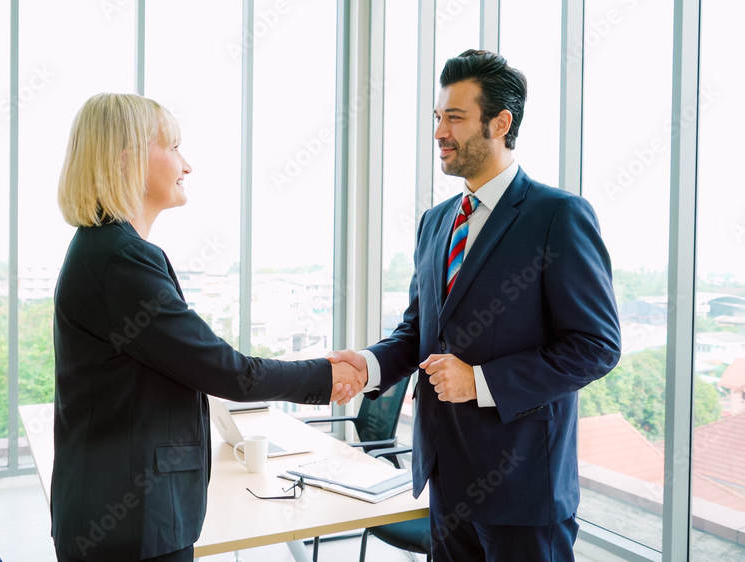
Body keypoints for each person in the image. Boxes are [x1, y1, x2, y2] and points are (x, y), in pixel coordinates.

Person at [329, 50, 621, 561]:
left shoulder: (558, 216)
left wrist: (481, 381)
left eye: (455, 118)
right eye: (438, 118)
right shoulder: (435, 222)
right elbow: (419, 331)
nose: (440, 132)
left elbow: (595, 347)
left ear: (500, 123)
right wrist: (370, 363)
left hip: (525, 489)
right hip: (445, 482)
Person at [51, 93, 365, 562]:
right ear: (127, 159)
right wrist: (325, 374)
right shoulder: (120, 258)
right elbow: (226, 371)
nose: (187, 164)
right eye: (174, 147)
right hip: (129, 525)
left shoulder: (106, 250)